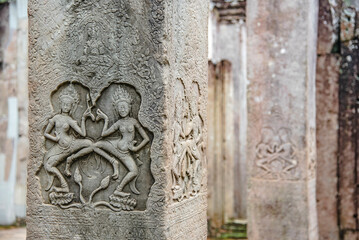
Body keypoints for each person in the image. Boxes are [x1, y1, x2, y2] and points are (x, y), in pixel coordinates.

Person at [94, 86, 150, 197]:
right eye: (120, 108)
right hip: (115, 146)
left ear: (129, 107)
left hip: (126, 152)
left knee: (134, 171)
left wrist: (136, 148)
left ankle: (118, 190)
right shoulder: (119, 123)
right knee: (96, 145)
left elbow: (146, 139)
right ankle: (113, 162)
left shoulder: (133, 122)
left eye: (124, 107)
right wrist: (105, 119)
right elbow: (104, 134)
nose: (122, 110)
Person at [43, 84, 93, 193]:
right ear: (60, 104)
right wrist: (55, 139)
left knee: (89, 143)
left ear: (71, 106)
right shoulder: (55, 118)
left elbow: (83, 134)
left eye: (68, 105)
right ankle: (64, 186)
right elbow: (46, 133)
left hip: (71, 144)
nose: (66, 106)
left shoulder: (70, 120)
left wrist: (84, 118)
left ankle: (71, 159)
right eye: (64, 104)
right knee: (48, 165)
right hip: (60, 148)